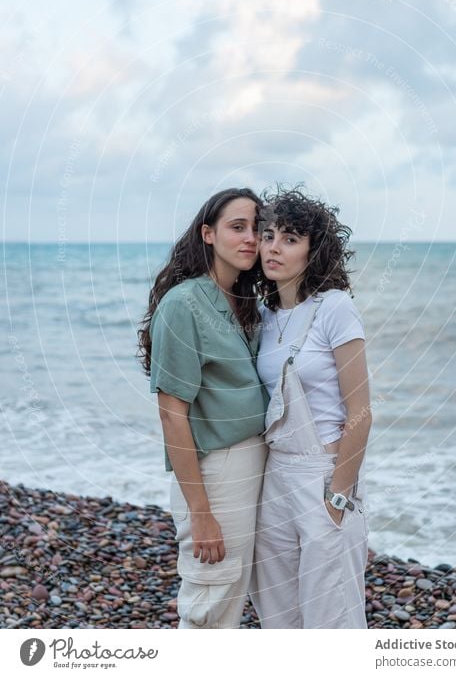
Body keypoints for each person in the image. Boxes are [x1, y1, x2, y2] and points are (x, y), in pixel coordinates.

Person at [138, 188, 268, 629]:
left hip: (253, 462)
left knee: (231, 599)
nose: (251, 238)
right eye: (238, 227)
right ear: (208, 234)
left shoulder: (245, 303)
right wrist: (201, 512)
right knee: (210, 603)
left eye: (258, 229)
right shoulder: (184, 304)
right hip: (216, 471)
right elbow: (171, 413)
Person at [250, 188, 372, 629]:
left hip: (322, 475)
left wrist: (338, 495)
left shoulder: (335, 309)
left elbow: (361, 410)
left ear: (313, 250)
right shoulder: (262, 317)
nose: (274, 247)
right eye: (268, 236)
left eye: (290, 238)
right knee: (279, 618)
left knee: (331, 621)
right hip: (274, 478)